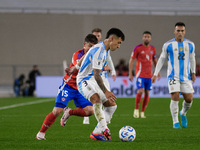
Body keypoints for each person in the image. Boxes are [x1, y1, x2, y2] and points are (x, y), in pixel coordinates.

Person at [62, 28, 125, 141]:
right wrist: (106, 91)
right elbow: (97, 74)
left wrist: (75, 67)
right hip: (84, 80)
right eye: (118, 42)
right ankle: (105, 129)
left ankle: (96, 132)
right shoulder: (99, 51)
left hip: (93, 80)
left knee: (112, 106)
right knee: (96, 99)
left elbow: (85, 56)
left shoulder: (103, 47)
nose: (119, 46)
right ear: (111, 39)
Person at [36, 34, 98, 140]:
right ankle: (41, 133)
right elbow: (80, 66)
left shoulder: (94, 56)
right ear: (84, 45)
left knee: (90, 111)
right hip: (68, 86)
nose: (91, 49)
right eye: (89, 46)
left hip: (80, 89)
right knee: (57, 111)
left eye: (93, 47)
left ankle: (69, 112)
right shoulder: (77, 54)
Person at [152, 22, 196, 129]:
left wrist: (193, 72)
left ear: (185, 32)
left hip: (185, 77)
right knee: (175, 96)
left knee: (189, 99)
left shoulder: (190, 45)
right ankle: (175, 122)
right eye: (178, 31)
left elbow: (192, 59)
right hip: (173, 76)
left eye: (182, 31)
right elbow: (161, 59)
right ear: (174, 31)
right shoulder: (168, 45)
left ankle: (183, 113)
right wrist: (155, 73)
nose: (180, 33)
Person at [83, 28, 117, 124]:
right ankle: (87, 117)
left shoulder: (106, 46)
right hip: (92, 76)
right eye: (95, 35)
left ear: (101, 36)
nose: (96, 37)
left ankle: (104, 120)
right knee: (94, 96)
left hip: (103, 76)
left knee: (106, 98)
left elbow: (109, 59)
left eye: (98, 36)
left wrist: (113, 71)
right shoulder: (91, 48)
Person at [129, 31, 161, 118]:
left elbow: (155, 61)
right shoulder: (138, 48)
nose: (146, 38)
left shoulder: (153, 49)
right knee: (140, 90)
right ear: (142, 38)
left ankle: (142, 112)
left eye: (148, 37)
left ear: (150, 38)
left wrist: (157, 72)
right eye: (145, 37)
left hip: (149, 75)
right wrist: (130, 73)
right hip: (140, 74)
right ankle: (136, 110)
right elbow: (131, 60)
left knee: (147, 93)